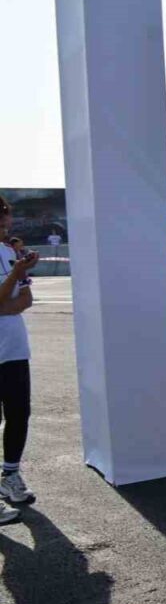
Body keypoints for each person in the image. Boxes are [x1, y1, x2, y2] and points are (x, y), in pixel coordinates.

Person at [0, 196, 39, 520]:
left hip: (13, 347)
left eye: (5, 216)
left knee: (19, 413)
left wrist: (18, 273)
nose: (4, 222)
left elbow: (25, 298)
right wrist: (15, 275)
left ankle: (9, 475)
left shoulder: (11, 252)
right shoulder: (14, 258)